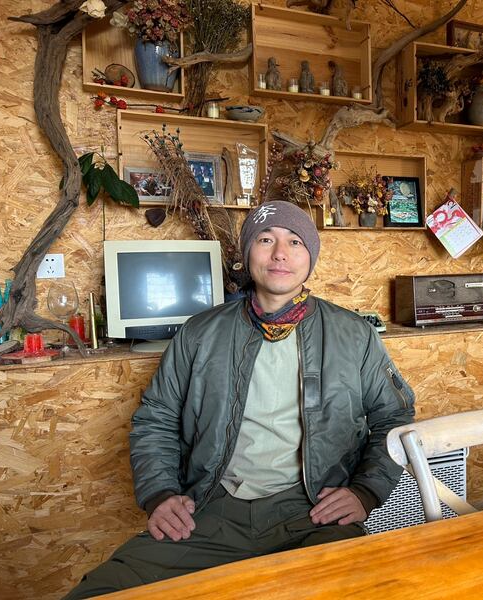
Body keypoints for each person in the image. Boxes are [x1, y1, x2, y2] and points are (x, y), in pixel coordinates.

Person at [64, 200, 415, 598]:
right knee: (103, 590)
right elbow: (156, 419)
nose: (280, 253)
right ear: (247, 254)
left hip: (313, 511)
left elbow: (394, 418)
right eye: (266, 239)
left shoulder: (353, 334)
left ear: (310, 258)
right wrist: (160, 494)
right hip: (211, 509)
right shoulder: (200, 333)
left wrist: (366, 491)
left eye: (295, 242)